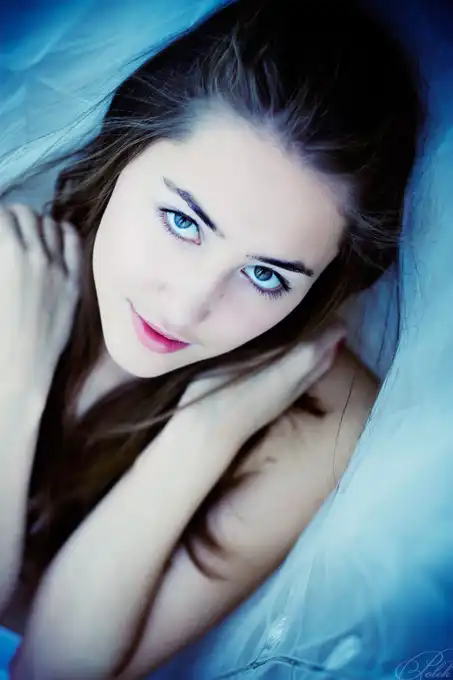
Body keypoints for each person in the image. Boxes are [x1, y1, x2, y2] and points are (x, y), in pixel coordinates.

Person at [0, 0, 421, 677]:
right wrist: (15, 387)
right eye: (182, 221)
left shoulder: (314, 422)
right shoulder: (10, 266)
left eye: (264, 275)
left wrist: (198, 443)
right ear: (124, 150)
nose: (189, 305)